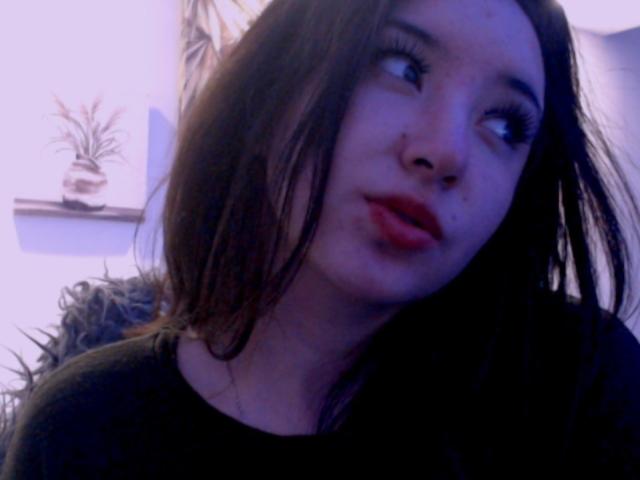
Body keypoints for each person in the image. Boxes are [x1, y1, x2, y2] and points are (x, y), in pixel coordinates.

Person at [3, 0, 640, 477]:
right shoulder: (82, 429)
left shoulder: (576, 391)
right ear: (269, 97)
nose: (446, 151)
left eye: (504, 125)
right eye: (401, 65)